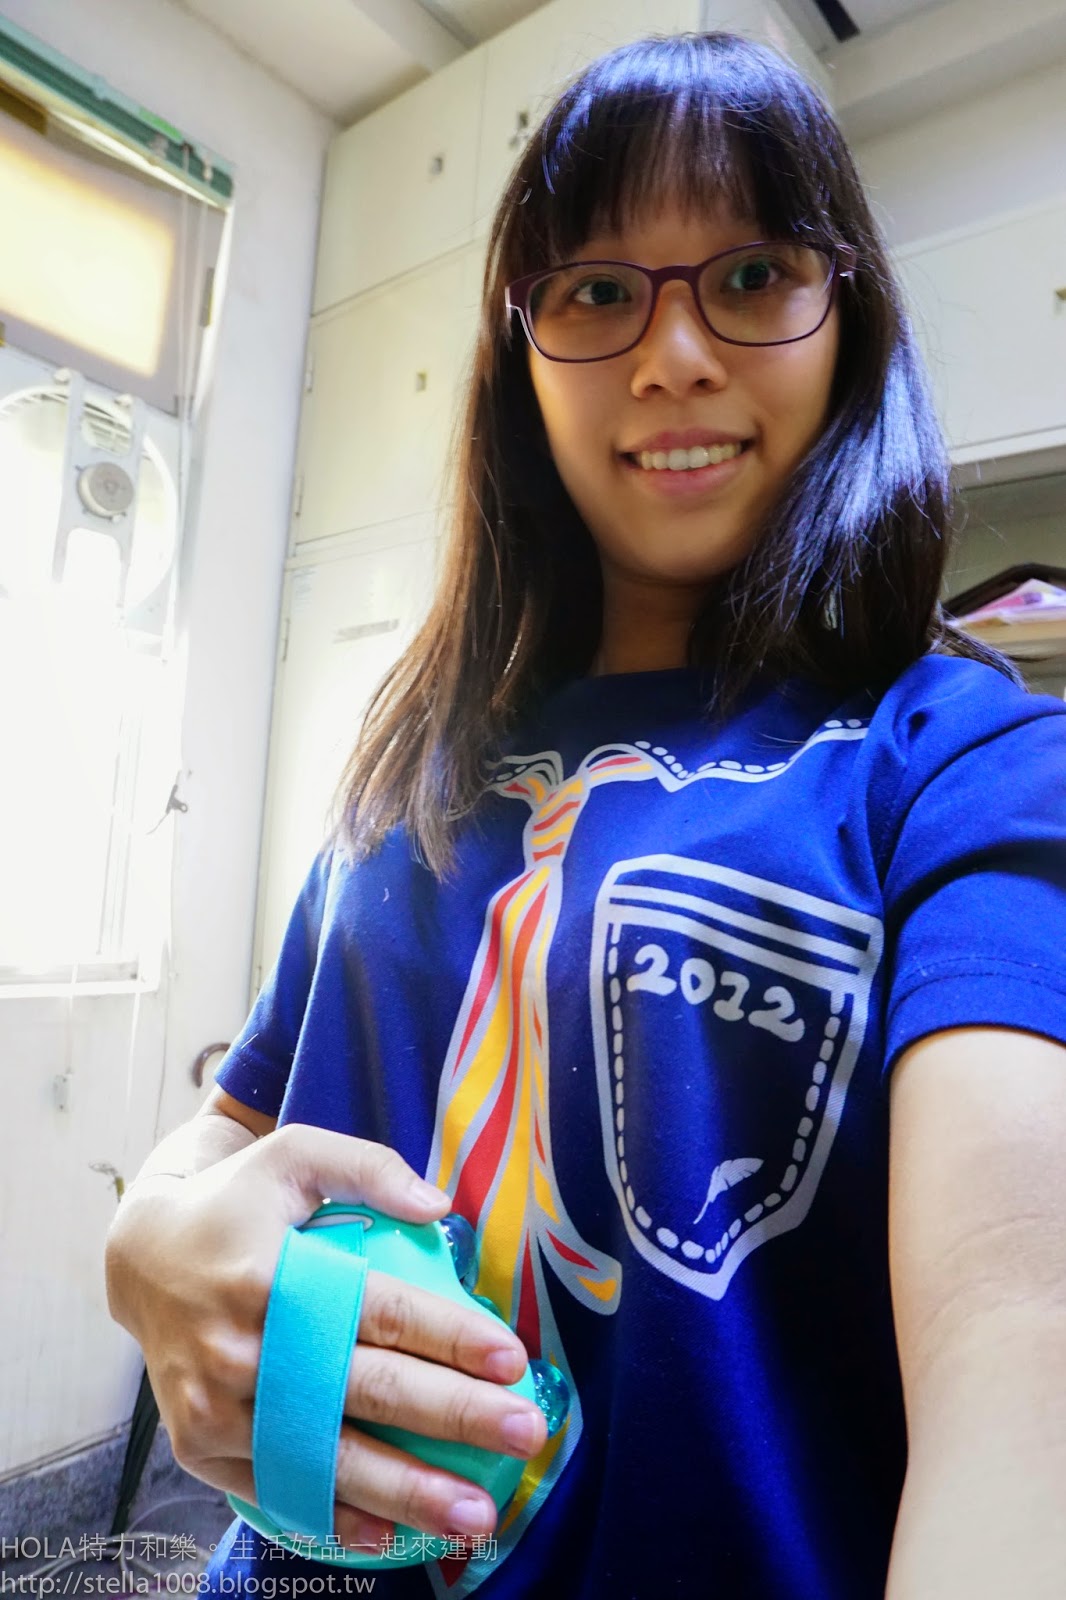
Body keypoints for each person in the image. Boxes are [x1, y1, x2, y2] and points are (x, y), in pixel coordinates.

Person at [104, 29, 1066, 1600]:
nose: (671, 355)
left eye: (749, 276)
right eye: (598, 290)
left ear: (846, 318)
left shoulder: (962, 760)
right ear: (522, 349)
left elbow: (1021, 1332)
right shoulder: (419, 756)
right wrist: (143, 1243)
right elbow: (240, 1121)